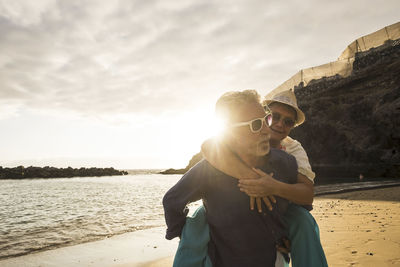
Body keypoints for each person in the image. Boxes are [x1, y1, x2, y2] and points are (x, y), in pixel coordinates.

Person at [163, 90, 299, 267]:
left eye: (267, 119)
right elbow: (172, 201)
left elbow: (298, 209)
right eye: (256, 125)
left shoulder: (286, 163)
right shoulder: (209, 171)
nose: (267, 130)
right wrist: (191, 236)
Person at [202, 89, 328, 267]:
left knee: (303, 221)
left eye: (288, 121)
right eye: (274, 116)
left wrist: (272, 187)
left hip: (277, 206)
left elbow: (307, 194)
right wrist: (251, 178)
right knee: (196, 224)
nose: (279, 124)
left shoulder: (292, 148)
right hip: (234, 204)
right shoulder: (242, 136)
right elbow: (208, 147)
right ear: (263, 115)